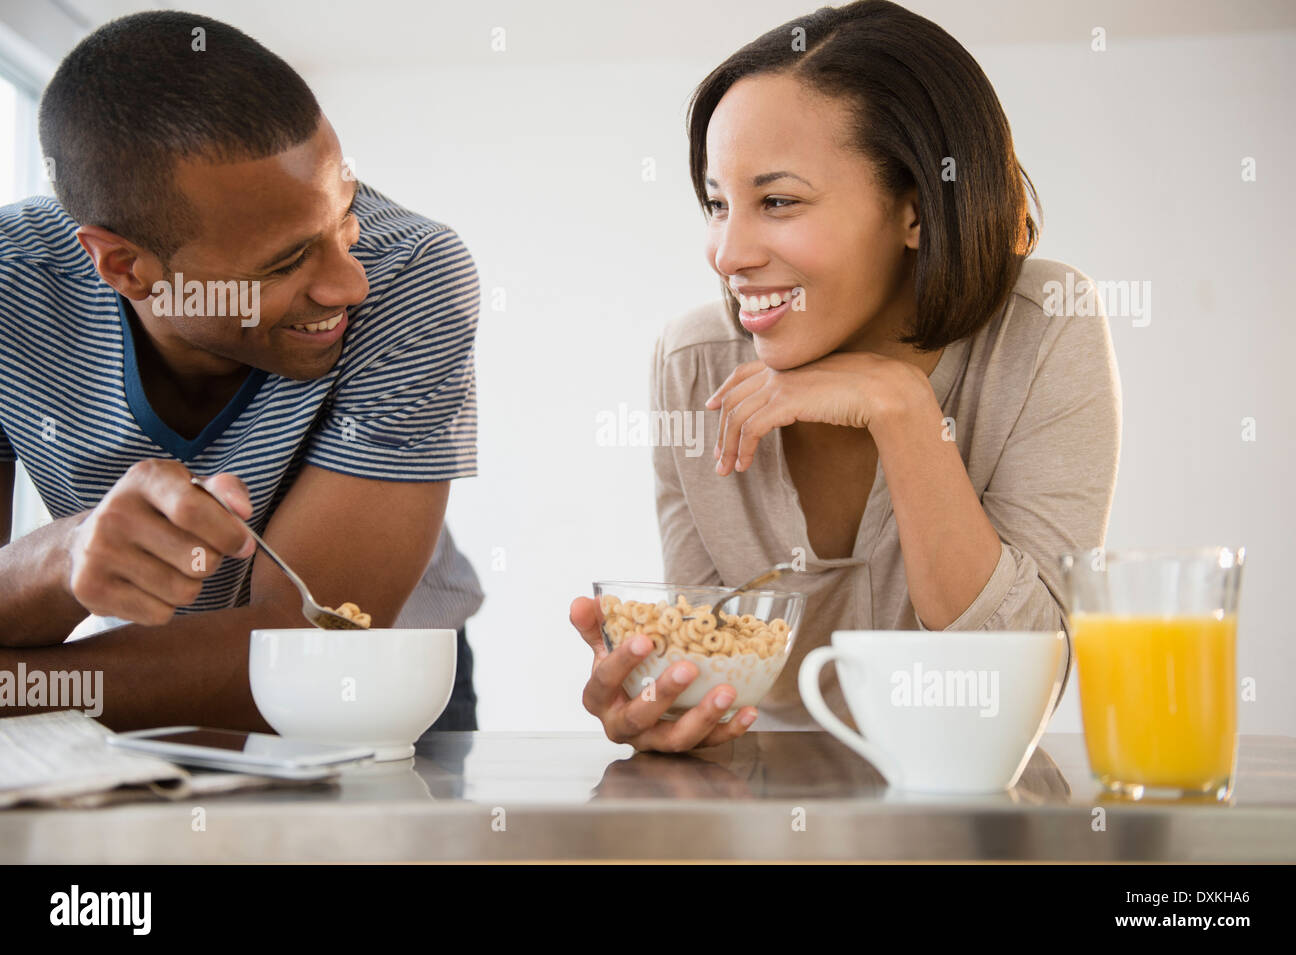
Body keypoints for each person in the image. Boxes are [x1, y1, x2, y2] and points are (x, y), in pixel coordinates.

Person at [571, 0, 1120, 751]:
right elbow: (719, 688)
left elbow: (1014, 688)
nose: (727, 255)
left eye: (777, 201)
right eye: (717, 204)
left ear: (918, 210)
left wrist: (900, 407)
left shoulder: (1043, 325)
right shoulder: (692, 362)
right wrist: (670, 709)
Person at [0, 11, 483, 731]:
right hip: (125, 674)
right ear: (125, 266)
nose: (349, 286)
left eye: (345, 219)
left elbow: (313, 649)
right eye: (286, 261)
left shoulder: (412, 273)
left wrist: (17, 689)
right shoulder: (13, 285)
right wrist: (60, 555)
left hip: (372, 690)